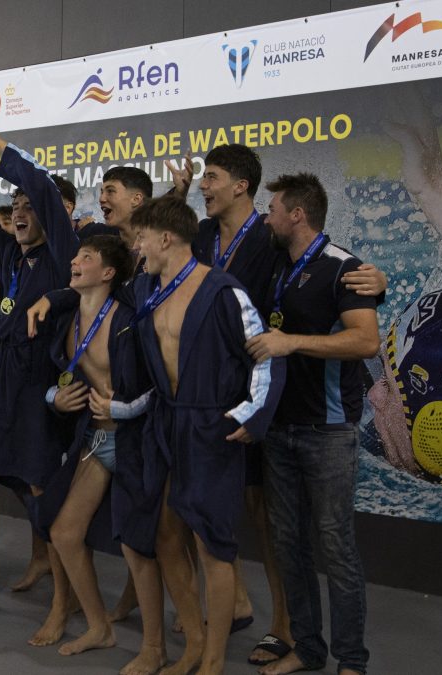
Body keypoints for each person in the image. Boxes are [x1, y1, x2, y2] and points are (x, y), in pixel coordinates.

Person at [170, 144, 386, 664]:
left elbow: (353, 316)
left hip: (300, 415)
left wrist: (377, 286)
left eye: (212, 177)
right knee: (266, 532)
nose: (204, 186)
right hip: (238, 407)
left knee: (307, 536)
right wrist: (173, 196)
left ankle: (322, 646)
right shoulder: (222, 244)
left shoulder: (296, 250)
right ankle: (289, 636)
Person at [130, 196, 284, 675]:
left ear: (166, 238)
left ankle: (213, 660)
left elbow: (265, 355)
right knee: (163, 533)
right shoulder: (144, 290)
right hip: (166, 422)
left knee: (212, 543)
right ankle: (194, 641)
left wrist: (249, 416)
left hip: (211, 425)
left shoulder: (223, 292)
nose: (136, 247)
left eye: (141, 238)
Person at [0, 105, 80, 641]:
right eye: (16, 206)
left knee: (42, 492)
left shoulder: (65, 254)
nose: (21, 211)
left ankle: (64, 603)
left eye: (30, 205)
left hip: (39, 387)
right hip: (2, 378)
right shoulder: (8, 255)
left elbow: (42, 184)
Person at [247, 173, 379, 675]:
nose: (267, 217)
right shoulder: (277, 264)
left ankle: (351, 660)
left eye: (274, 208)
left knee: (336, 546)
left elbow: (365, 342)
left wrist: (291, 343)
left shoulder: (344, 267)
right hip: (279, 428)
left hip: (327, 431)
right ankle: (307, 648)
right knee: (289, 545)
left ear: (297, 214)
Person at [34, 234, 149, 657]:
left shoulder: (128, 320)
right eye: (76, 254)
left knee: (151, 545)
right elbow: (60, 381)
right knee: (64, 532)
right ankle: (100, 626)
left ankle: (170, 643)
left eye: (86, 257)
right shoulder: (70, 320)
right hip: (97, 437)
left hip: (132, 439)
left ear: (108, 272)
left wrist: (125, 409)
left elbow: (157, 384)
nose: (75, 261)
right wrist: (54, 397)